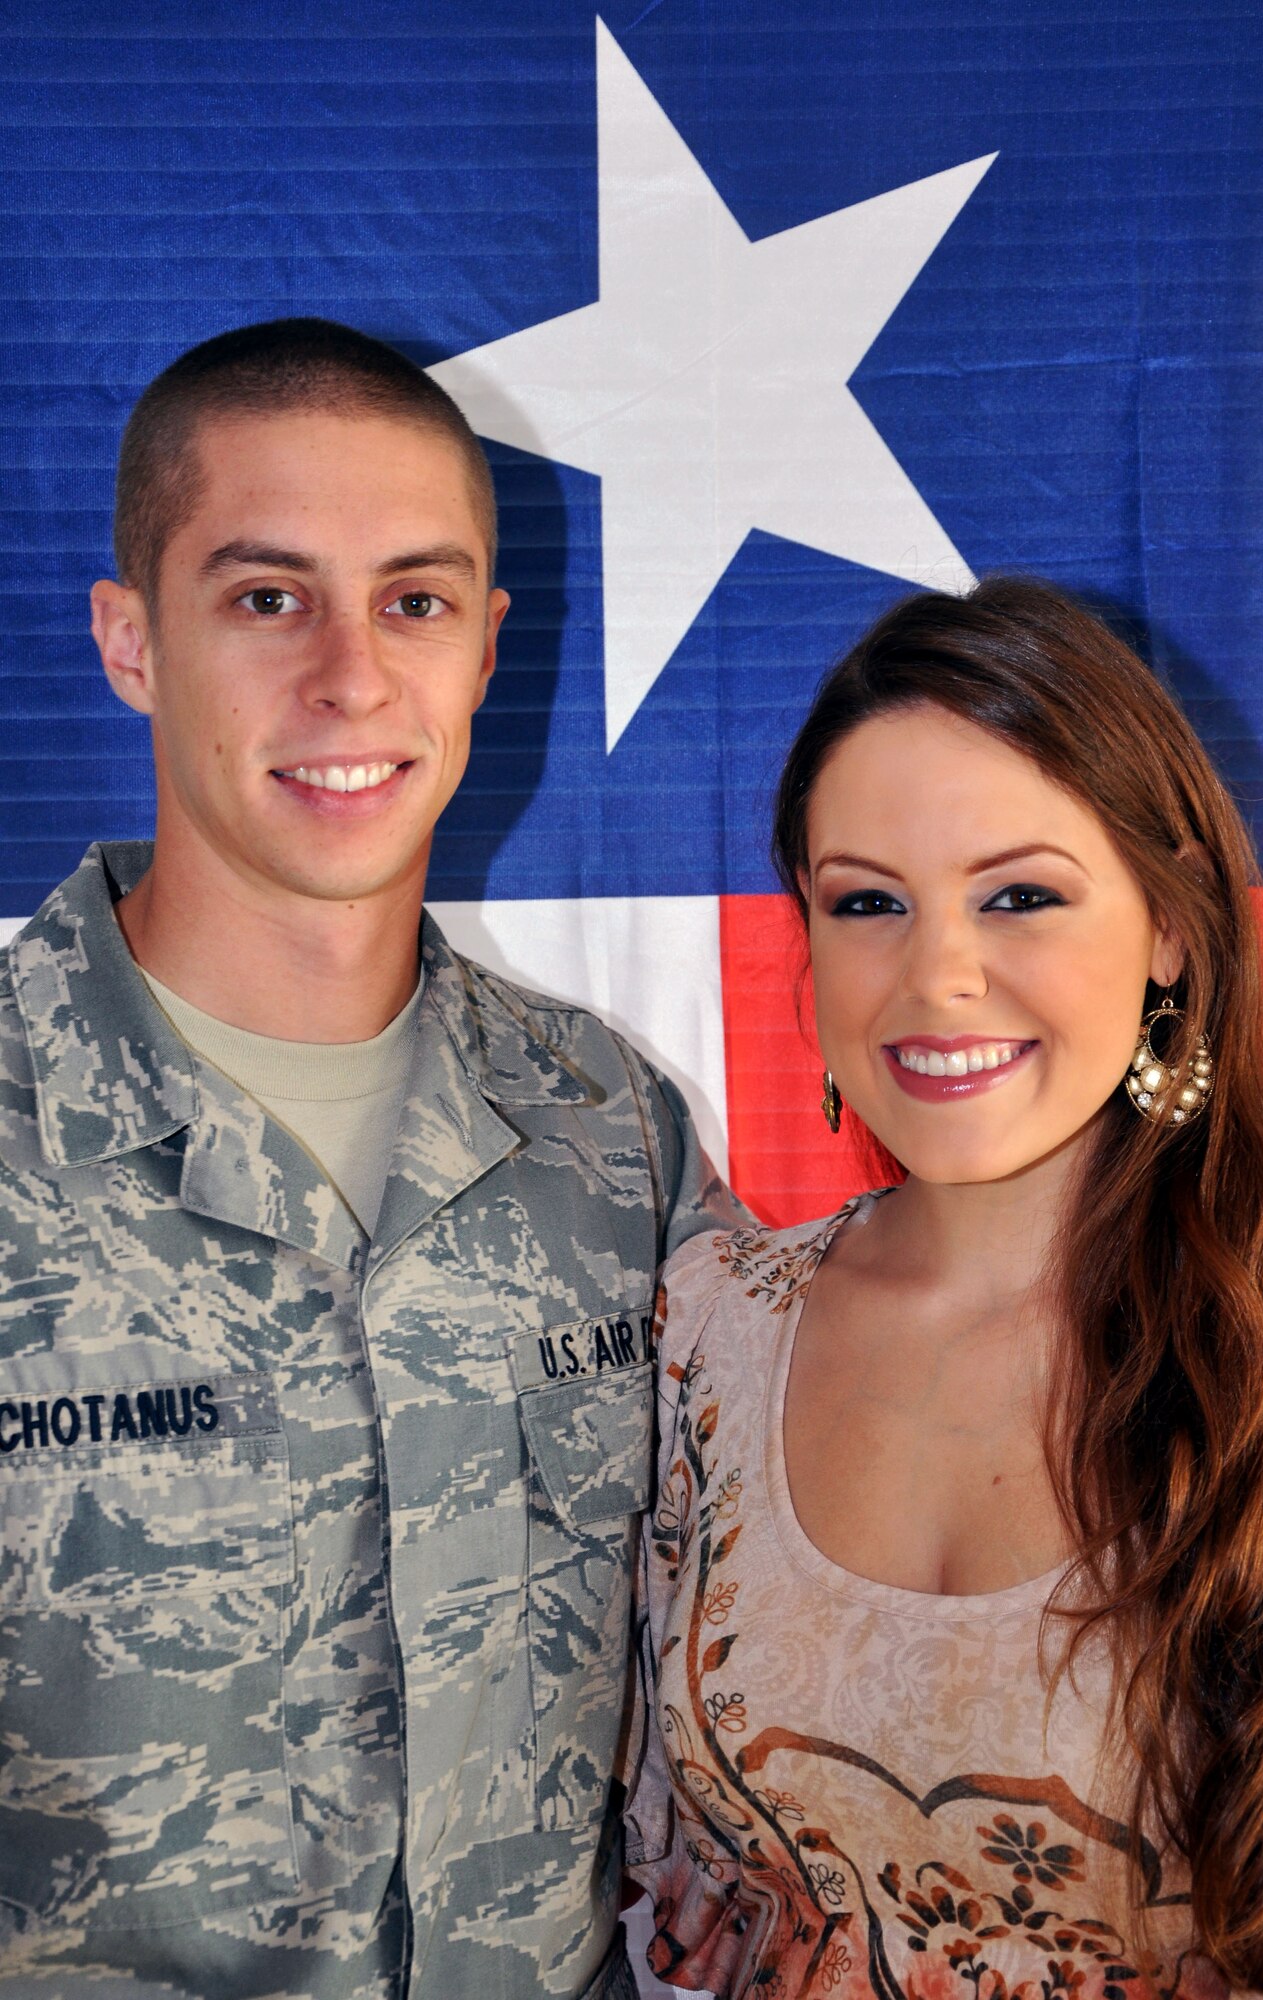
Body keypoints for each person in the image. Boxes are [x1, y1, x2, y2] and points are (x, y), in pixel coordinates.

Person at [0, 318, 741, 1999]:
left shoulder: (606, 1137)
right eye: (267, 598)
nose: (350, 676)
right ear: (131, 642)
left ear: (486, 643)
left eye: (413, 600)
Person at [621, 579, 1263, 2000]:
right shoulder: (705, 1335)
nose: (939, 975)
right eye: (868, 903)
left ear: (1171, 925)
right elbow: (665, 1905)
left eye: (1019, 895)